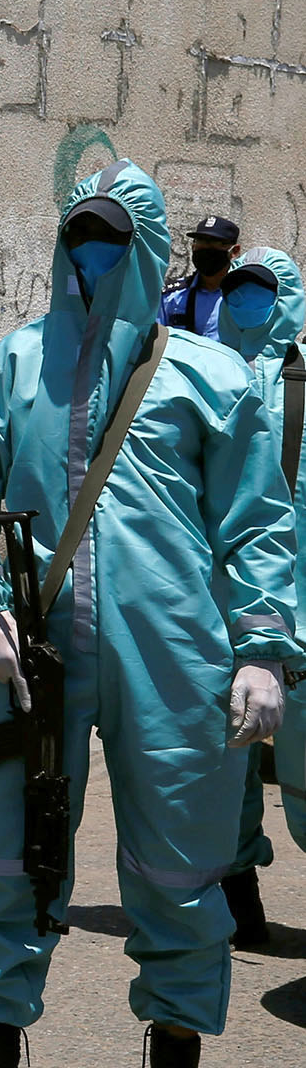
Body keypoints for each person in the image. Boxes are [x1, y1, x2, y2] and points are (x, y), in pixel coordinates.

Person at [0, 162, 297, 1068]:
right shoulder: (14, 365)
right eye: (77, 235)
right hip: (30, 654)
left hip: (176, 657)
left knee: (182, 868)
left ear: (141, 252)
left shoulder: (210, 379)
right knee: (6, 853)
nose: (90, 255)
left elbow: (259, 524)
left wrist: (263, 648)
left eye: (108, 239)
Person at [214, 247, 306, 946]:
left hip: (295, 606)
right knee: (229, 759)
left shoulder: (303, 378)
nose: (248, 301)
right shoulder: (202, 371)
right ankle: (238, 889)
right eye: (239, 288)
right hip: (218, 604)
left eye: (263, 289)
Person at [158, 215, 243, 338]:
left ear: (234, 251)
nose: (207, 249)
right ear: (193, 247)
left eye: (215, 243)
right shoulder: (171, 296)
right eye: (201, 242)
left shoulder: (243, 297)